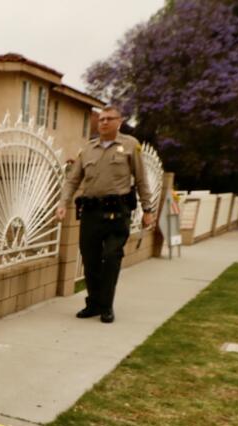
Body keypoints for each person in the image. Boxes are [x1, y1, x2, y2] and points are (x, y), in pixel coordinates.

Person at [56, 105, 155, 324]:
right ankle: (93, 304)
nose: (104, 122)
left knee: (111, 257)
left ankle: (106, 305)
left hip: (117, 213)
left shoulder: (131, 146)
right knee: (90, 259)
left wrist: (148, 210)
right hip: (91, 212)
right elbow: (73, 180)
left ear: (119, 121)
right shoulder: (88, 149)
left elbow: (141, 180)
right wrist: (63, 202)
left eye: (109, 119)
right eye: (101, 119)